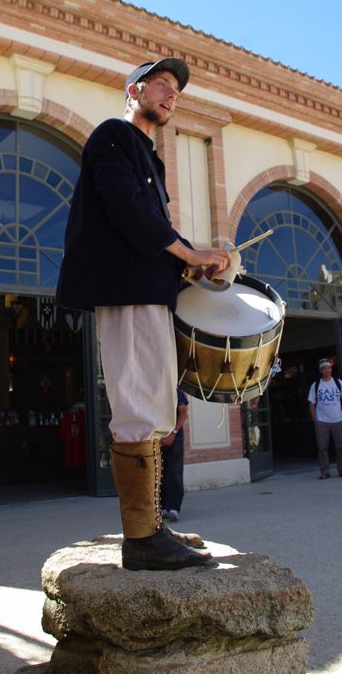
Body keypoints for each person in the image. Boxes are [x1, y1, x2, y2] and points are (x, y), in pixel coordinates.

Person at [56, 58, 233, 570]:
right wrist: (189, 252)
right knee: (136, 406)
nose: (171, 94)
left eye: (176, 89)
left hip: (151, 293)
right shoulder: (112, 135)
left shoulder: (150, 158)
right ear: (134, 90)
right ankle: (140, 539)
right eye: (161, 84)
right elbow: (122, 205)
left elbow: (149, 228)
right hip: (126, 291)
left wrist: (189, 266)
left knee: (156, 409)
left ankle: (153, 525)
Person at [308, 358, 342, 479]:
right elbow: (311, 403)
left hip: (338, 419)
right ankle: (325, 471)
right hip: (322, 421)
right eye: (324, 368)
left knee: (340, 446)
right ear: (321, 370)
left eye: (328, 368)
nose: (327, 370)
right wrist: (315, 419)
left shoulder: (338, 383)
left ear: (331, 369)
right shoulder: (316, 385)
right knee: (322, 448)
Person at [161, 388, 188, 522]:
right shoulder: (152, 390)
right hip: (158, 438)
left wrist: (174, 433)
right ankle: (162, 507)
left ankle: (174, 508)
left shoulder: (176, 391)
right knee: (159, 473)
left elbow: (183, 414)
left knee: (175, 472)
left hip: (175, 438)